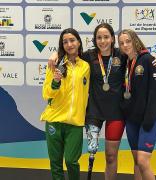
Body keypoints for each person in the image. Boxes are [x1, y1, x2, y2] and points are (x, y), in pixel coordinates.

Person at [48, 23, 156, 180]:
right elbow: (70, 52)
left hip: (116, 113)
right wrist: (55, 55)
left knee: (110, 156)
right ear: (95, 40)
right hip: (94, 113)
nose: (103, 41)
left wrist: (152, 58)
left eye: (106, 37)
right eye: (99, 38)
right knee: (92, 154)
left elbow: (139, 57)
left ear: (112, 38)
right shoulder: (88, 56)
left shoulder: (121, 55)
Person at [40, 28, 90, 180]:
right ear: (62, 45)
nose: (69, 44)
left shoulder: (86, 67)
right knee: (56, 163)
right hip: (54, 121)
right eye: (65, 42)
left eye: (72, 40)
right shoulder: (56, 64)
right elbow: (46, 94)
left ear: (79, 42)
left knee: (71, 161)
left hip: (75, 122)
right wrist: (55, 82)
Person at [118, 29, 156, 180]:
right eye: (122, 43)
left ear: (135, 41)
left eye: (128, 41)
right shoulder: (126, 62)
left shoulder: (148, 60)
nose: (125, 45)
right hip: (132, 120)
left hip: (147, 120)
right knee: (137, 161)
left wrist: (149, 119)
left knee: (143, 161)